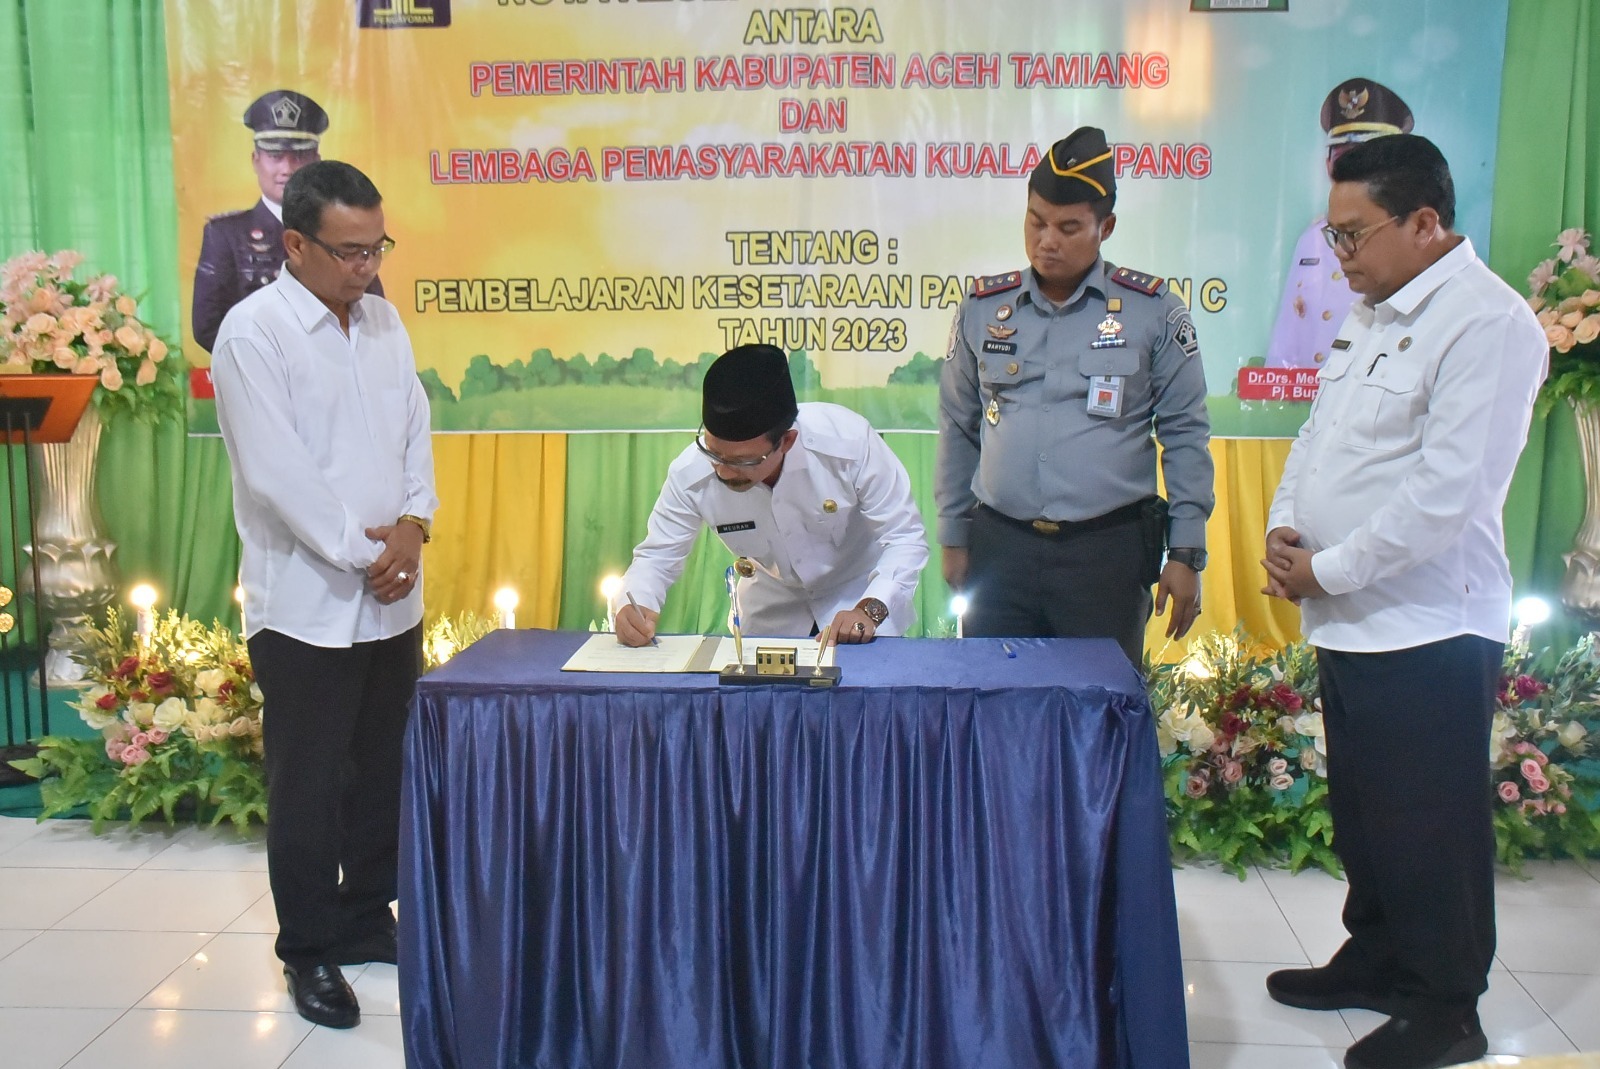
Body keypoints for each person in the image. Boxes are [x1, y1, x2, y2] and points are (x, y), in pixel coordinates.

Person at [1261, 134, 1546, 1069]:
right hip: (1353, 619)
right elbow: (1317, 436)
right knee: (1367, 812)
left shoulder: (1489, 324)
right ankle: (1378, 956)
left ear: (1425, 222)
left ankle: (1446, 1004)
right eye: (1332, 236)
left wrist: (1329, 568)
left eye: (1353, 235)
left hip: (1430, 625)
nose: (1339, 256)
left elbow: (1448, 494)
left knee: (1430, 825)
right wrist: (1286, 526)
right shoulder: (1373, 312)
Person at [211, 160, 437, 1030]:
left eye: (377, 247)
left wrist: (414, 524)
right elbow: (278, 475)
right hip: (305, 605)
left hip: (393, 596)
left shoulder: (383, 321)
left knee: (381, 771)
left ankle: (365, 914)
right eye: (349, 251)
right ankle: (307, 949)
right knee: (306, 785)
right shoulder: (252, 334)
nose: (366, 266)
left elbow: (415, 427)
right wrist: (367, 552)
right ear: (296, 244)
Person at [935, 125, 1213, 666]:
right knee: (995, 699)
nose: (1047, 241)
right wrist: (953, 534)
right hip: (1000, 550)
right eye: (1036, 221)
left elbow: (1184, 433)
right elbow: (958, 425)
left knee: (1100, 702)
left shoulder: (1153, 311)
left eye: (1068, 227)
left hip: (1105, 555)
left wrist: (1185, 551)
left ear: (1105, 227)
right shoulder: (983, 309)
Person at [616, 343, 927, 645]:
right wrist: (634, 603)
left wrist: (870, 609)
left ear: (787, 442)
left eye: (742, 462)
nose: (723, 471)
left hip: (858, 605)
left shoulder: (848, 444)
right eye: (714, 453)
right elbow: (657, 557)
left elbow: (904, 537)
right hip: (770, 616)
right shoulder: (691, 474)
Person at [192, 89, 382, 353]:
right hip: (261, 370)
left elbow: (370, 308)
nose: (287, 169)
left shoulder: (342, 229)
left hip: (338, 367)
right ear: (256, 160)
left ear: (316, 161)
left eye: (299, 156)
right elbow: (208, 325)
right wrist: (279, 360)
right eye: (275, 156)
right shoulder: (225, 234)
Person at [1265, 78, 1413, 369]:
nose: (1355, 175)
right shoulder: (1313, 238)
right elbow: (1288, 335)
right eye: (1344, 161)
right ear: (1328, 166)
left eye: (1368, 161)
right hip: (1309, 394)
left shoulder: (1407, 238)